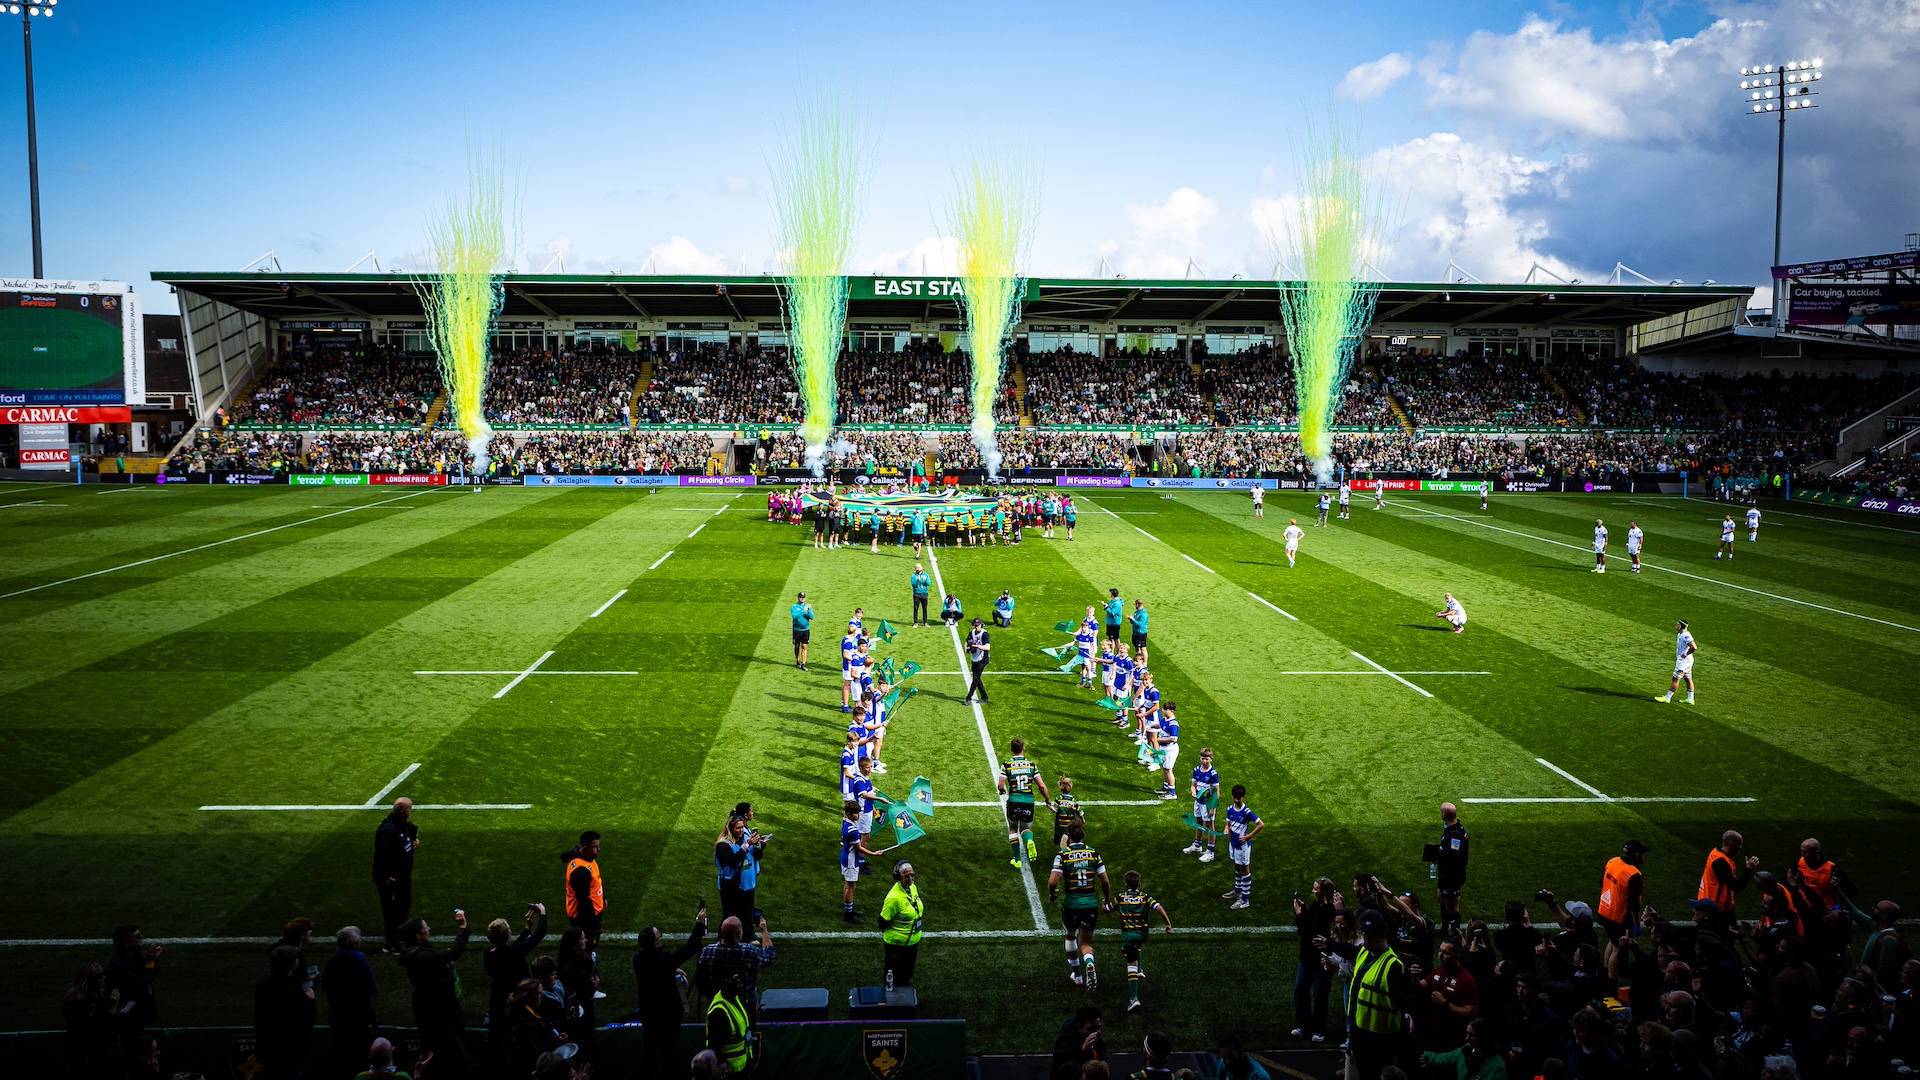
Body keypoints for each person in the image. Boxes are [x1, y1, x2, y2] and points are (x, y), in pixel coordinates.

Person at [1324, 909, 1412, 1080]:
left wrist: (1408, 1012)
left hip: (1381, 1038)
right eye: (1365, 936)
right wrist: (1328, 943)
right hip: (1361, 1029)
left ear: (1383, 936)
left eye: (1371, 937)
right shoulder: (1364, 952)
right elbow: (1349, 950)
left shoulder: (1392, 965)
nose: (1367, 940)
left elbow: (1402, 996)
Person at [632, 903, 707, 1080]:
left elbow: (654, 968)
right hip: (667, 1015)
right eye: (659, 936)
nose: (661, 937)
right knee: (669, 1054)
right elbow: (689, 949)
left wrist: (672, 969)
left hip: (648, 1012)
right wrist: (699, 924)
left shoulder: (638, 959)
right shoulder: (664, 961)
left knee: (649, 1051)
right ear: (655, 943)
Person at [398, 910, 471, 1077]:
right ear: (418, 935)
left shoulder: (416, 953)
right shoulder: (422, 957)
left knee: (435, 1041)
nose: (429, 928)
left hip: (428, 1006)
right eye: (425, 927)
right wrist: (462, 927)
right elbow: (453, 953)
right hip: (438, 1008)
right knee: (447, 1041)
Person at [483, 904, 547, 1072]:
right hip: (515, 1002)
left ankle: (486, 1070)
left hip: (497, 1000)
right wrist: (543, 915)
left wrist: (527, 929)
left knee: (494, 1040)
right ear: (508, 934)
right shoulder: (513, 953)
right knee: (518, 1037)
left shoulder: (488, 954)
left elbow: (511, 950)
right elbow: (538, 936)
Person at [1050, 821, 1113, 990]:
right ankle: (1089, 962)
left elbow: (1052, 882)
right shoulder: (1094, 854)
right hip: (1090, 904)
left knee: (1070, 935)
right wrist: (1106, 900)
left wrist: (1052, 894)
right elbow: (1105, 882)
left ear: (1069, 836)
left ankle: (1077, 975)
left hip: (1071, 904)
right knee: (1085, 943)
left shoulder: (1062, 855)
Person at [323, 926, 379, 1080]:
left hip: (337, 1019)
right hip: (355, 1023)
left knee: (341, 1055)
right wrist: (371, 1017)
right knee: (358, 1057)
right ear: (355, 945)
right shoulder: (356, 966)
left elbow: (326, 986)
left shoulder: (333, 963)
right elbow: (361, 999)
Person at [1112, 870, 1172, 1013]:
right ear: (1139, 884)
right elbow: (1159, 907)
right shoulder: (1145, 897)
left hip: (1129, 935)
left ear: (1125, 884)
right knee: (1135, 945)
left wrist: (1103, 904)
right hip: (1142, 934)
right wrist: (1168, 923)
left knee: (1130, 962)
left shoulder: (1121, 897)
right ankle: (1140, 970)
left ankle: (1134, 999)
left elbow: (1107, 908)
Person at [256, 944, 317, 1080]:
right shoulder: (293, 991)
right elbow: (308, 1020)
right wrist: (311, 1000)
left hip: (268, 1047)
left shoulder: (264, 983)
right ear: (293, 964)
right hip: (290, 1051)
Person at [695, 915, 775, 1016]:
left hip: (718, 1006)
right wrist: (764, 930)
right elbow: (769, 955)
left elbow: (700, 981)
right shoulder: (750, 951)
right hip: (746, 1007)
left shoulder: (707, 952)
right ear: (739, 933)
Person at [1292, 878, 1337, 1042]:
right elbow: (1308, 926)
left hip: (1320, 960)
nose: (1313, 891)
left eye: (1315, 888)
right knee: (1301, 991)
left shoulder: (1328, 910)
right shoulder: (1317, 905)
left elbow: (1308, 932)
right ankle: (1304, 1027)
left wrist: (1299, 914)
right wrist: (1303, 910)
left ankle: (1318, 1029)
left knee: (1320, 994)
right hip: (1308, 958)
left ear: (1324, 892)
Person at [373, 798, 418, 955]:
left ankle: (399, 938)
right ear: (402, 811)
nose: (411, 811)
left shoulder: (401, 825)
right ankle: (391, 943)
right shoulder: (388, 830)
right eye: (409, 808)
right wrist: (386, 877)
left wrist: (413, 844)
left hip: (403, 877)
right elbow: (380, 855)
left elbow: (402, 845)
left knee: (403, 908)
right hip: (393, 880)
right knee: (393, 912)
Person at [998, 737, 1051, 867]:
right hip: (1028, 801)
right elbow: (1042, 786)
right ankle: (1029, 842)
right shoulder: (1031, 765)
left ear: (1011, 750)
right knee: (1026, 828)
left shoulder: (1007, 765)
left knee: (1012, 829)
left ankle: (1017, 859)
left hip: (1014, 801)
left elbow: (1000, 784)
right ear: (1023, 749)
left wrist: (1002, 791)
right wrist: (1047, 799)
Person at [63, 962, 118, 1079]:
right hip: (88, 1058)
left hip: (85, 1056)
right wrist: (112, 1009)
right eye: (99, 976)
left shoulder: (92, 997)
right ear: (90, 980)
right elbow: (102, 1032)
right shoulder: (82, 1003)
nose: (104, 977)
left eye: (104, 973)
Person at [1696, 829, 1757, 931]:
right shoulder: (1720, 862)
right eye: (1739, 845)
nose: (1740, 848)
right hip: (1716, 909)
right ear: (1732, 844)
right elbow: (1737, 887)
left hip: (1717, 904)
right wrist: (1749, 869)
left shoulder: (1717, 853)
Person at [715, 813, 768, 929]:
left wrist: (758, 845)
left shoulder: (745, 838)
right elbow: (735, 860)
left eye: (742, 827)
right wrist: (748, 844)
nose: (741, 831)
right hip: (730, 887)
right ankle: (724, 940)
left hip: (747, 884)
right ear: (730, 829)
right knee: (730, 918)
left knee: (747, 915)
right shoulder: (723, 845)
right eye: (738, 828)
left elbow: (757, 856)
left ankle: (748, 938)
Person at [106, 925, 162, 1032]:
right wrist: (150, 961)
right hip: (129, 1016)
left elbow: (148, 976)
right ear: (126, 943)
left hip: (138, 1011)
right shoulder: (120, 966)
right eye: (137, 936)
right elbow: (141, 984)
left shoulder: (134, 957)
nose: (142, 937)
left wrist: (154, 960)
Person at [841, 800, 888, 924]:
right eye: (856, 813)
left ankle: (849, 909)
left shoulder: (846, 821)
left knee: (849, 885)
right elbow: (859, 848)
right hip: (851, 860)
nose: (858, 816)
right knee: (851, 886)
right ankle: (848, 914)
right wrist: (874, 853)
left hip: (847, 856)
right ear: (849, 814)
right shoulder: (852, 830)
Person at [880, 860, 925, 987]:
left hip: (912, 943)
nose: (910, 878)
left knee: (906, 974)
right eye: (907, 876)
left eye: (912, 875)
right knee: (893, 978)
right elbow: (882, 922)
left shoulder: (913, 888)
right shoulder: (893, 898)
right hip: (897, 945)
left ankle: (904, 1000)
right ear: (899, 877)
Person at [706, 972, 758, 1078]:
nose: (741, 986)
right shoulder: (719, 1012)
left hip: (742, 1062)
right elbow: (713, 1042)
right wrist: (721, 1062)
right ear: (728, 987)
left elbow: (738, 1013)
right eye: (737, 984)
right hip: (730, 1070)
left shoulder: (732, 997)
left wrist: (754, 1009)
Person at [1596, 841, 1650, 942]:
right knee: (1620, 949)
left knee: (1612, 942)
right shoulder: (1634, 875)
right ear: (1637, 855)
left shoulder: (1613, 861)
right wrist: (1636, 925)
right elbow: (1634, 904)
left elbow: (1601, 883)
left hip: (1604, 912)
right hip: (1619, 918)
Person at [1423, 1017, 1509, 1080]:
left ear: (1484, 1037)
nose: (1467, 1038)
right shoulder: (1466, 1051)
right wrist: (1428, 1057)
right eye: (1466, 1034)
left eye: (1472, 1036)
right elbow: (1448, 1057)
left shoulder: (1498, 1068)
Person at [1223, 785, 1264, 910]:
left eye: (1238, 799)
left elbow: (1261, 824)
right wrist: (1226, 828)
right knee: (1236, 866)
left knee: (1245, 870)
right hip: (1233, 843)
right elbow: (1228, 822)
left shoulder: (1247, 812)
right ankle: (1237, 891)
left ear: (1243, 798)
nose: (1236, 801)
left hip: (1243, 846)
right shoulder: (1230, 809)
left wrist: (1248, 837)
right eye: (1234, 798)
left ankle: (1245, 899)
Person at [563, 832, 605, 945]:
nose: (599, 849)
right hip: (584, 917)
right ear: (585, 847)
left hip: (592, 910)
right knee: (587, 943)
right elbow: (584, 901)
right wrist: (595, 925)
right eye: (595, 847)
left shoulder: (586, 859)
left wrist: (601, 899)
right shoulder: (580, 870)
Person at [1435, 802, 1469, 935]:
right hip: (1446, 875)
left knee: (1452, 908)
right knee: (1441, 898)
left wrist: (1440, 859)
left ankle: (1456, 935)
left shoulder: (1454, 835)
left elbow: (1454, 859)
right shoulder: (1453, 829)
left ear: (1444, 815)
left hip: (1451, 877)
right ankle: (1444, 928)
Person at [1182, 747, 1220, 862]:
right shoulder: (1196, 770)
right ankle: (1197, 845)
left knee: (1209, 826)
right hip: (1198, 802)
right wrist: (1193, 791)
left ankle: (1210, 851)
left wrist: (1212, 807)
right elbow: (1193, 785)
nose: (1204, 761)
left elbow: (1216, 791)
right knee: (1198, 823)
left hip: (1208, 804)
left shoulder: (1213, 774)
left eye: (1207, 759)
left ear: (1211, 759)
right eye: (1203, 758)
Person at [1053, 1006, 1109, 1076]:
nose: (1096, 1032)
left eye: (1098, 1028)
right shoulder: (1065, 1040)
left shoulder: (1099, 1043)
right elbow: (1059, 1062)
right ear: (1079, 1027)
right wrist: (1081, 1050)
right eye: (1091, 1029)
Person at [1657, 620, 1696, 704]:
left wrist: (1685, 654)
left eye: (1677, 624)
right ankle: (1690, 699)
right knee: (1688, 679)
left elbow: (1694, 647)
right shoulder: (1680, 634)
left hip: (1684, 662)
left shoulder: (1685, 635)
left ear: (1681, 626)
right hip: (1687, 661)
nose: (1676, 625)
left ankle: (1667, 698)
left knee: (1675, 679)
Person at [964, 617, 993, 705]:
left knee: (975, 679)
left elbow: (987, 647)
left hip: (982, 659)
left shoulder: (984, 634)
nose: (976, 627)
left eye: (978, 625)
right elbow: (967, 642)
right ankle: (984, 697)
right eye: (975, 625)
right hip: (975, 658)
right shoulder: (972, 632)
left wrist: (976, 646)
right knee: (977, 679)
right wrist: (966, 649)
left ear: (981, 625)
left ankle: (968, 698)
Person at [1052, 776, 1084, 847]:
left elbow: (1054, 810)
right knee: (1070, 841)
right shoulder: (1073, 801)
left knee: (1061, 843)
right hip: (1070, 826)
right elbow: (1080, 812)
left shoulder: (1058, 799)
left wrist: (1048, 805)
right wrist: (1082, 820)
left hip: (1060, 826)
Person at [790, 592, 814, 670]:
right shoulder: (794, 607)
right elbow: (794, 616)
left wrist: (809, 611)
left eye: (803, 597)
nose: (802, 599)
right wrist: (803, 611)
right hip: (797, 630)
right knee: (796, 645)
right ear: (798, 598)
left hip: (805, 630)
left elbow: (812, 617)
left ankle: (803, 664)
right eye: (801, 597)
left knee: (804, 646)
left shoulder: (808, 606)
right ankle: (798, 660)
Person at [910, 563, 932, 627]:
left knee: (924, 608)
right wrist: (918, 580)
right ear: (915, 569)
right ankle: (915, 622)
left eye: (919, 567)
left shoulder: (926, 575)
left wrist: (925, 580)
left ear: (922, 568)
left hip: (924, 594)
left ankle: (925, 622)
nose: (918, 569)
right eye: (917, 567)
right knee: (916, 608)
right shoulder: (913, 576)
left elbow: (929, 584)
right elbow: (913, 585)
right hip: (917, 594)